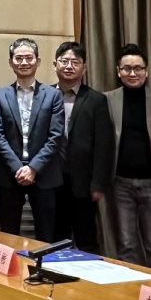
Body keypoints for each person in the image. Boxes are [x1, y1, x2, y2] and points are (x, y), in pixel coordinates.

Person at [0, 37, 65, 242]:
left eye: (28, 58)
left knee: (46, 236)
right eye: (18, 58)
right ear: (10, 62)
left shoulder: (53, 95)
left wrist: (33, 168)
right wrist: (18, 168)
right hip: (9, 174)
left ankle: (44, 273)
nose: (23, 62)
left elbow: (55, 136)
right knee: (8, 234)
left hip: (44, 173)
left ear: (37, 62)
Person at [105, 44, 151, 269]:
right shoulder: (107, 100)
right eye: (127, 69)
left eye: (138, 68)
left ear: (147, 70)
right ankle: (131, 295)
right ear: (118, 71)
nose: (132, 74)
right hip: (120, 183)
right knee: (126, 245)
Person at [51, 42, 114, 253]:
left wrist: (98, 184)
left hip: (84, 183)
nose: (69, 66)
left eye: (75, 62)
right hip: (51, 180)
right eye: (64, 61)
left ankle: (88, 283)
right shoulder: (45, 95)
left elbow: (104, 145)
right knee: (54, 237)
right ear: (55, 64)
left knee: (86, 237)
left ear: (84, 68)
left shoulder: (96, 100)